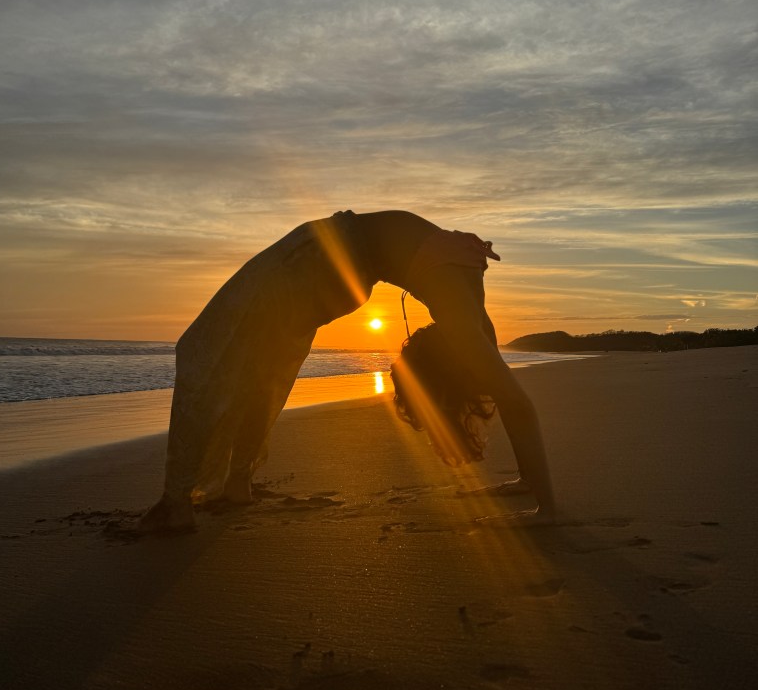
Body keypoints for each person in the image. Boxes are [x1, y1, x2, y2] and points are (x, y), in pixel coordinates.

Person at [138, 210, 555, 532]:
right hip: (331, 264)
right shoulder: (470, 320)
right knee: (264, 364)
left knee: (208, 348)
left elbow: (516, 401)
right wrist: (528, 481)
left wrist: (547, 510)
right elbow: (503, 391)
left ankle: (178, 503)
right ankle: (236, 482)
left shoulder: (460, 315)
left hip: (319, 258)